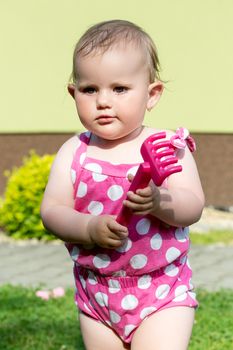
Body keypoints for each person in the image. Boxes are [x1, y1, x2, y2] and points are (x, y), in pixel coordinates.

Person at [40, 19, 205, 350]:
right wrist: (87, 227)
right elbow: (52, 211)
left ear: (152, 94)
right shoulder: (75, 152)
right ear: (74, 93)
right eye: (89, 89)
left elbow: (193, 206)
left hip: (160, 290)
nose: (103, 101)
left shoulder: (167, 149)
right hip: (97, 291)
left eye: (119, 89)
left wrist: (160, 201)